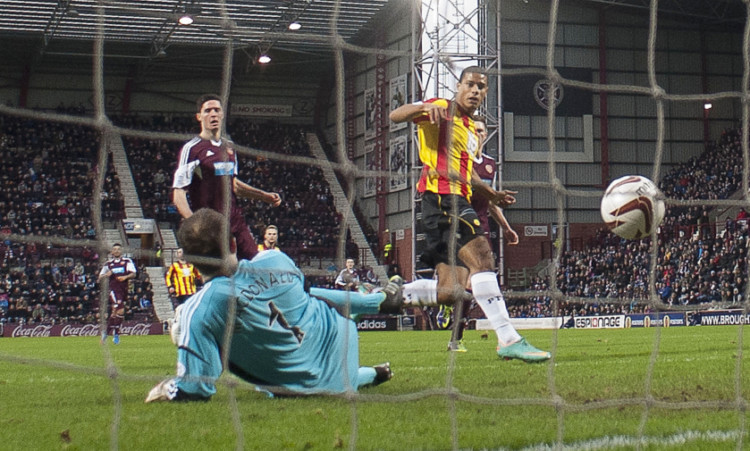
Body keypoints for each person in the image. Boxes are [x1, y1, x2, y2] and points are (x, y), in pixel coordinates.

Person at [145, 208, 404, 402]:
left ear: (189, 260)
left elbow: (195, 389)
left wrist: (166, 387)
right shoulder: (276, 259)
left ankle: (370, 361)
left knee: (212, 332)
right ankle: (376, 326)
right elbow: (311, 295)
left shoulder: (198, 310)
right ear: (234, 243)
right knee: (306, 302)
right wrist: (374, 302)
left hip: (304, 387)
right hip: (344, 341)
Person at [390, 66, 549, 362]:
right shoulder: (442, 108)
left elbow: (469, 175)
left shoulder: (468, 128)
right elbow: (396, 115)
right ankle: (508, 339)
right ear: (459, 86)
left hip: (453, 198)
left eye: (482, 87)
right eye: (471, 85)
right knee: (484, 260)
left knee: (451, 292)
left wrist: (492, 195)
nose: (476, 91)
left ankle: (389, 293)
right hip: (442, 197)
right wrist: (422, 107)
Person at [172, 94, 282, 260]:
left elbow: (234, 185)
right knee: (223, 272)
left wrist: (264, 196)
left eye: (217, 110)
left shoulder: (228, 147)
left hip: (235, 219)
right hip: (211, 224)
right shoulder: (192, 149)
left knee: (255, 263)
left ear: (223, 114)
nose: (213, 114)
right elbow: (178, 193)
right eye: (208, 111)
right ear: (199, 116)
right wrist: (193, 222)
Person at [445, 116, 520, 352]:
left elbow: (490, 200)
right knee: (476, 277)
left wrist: (506, 227)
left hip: (482, 226)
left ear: (485, 135)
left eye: (480, 131)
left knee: (471, 284)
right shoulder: (457, 160)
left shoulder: (489, 164)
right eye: (473, 129)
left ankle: (456, 338)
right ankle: (505, 336)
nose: (477, 134)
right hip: (460, 223)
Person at [98, 243, 136, 344]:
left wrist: (125, 277)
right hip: (114, 291)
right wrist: (107, 274)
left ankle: (106, 333)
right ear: (112, 252)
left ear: (121, 251)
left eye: (118, 249)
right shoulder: (108, 264)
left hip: (124, 290)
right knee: (120, 311)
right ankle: (115, 334)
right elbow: (99, 278)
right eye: (114, 249)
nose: (116, 251)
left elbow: (133, 273)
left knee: (115, 313)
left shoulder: (127, 261)